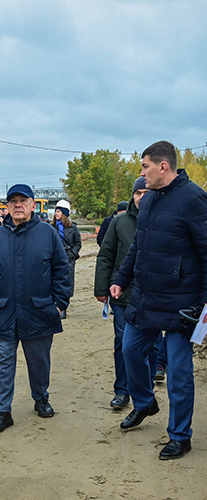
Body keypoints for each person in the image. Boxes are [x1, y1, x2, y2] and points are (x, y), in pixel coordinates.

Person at [110, 140, 207, 460]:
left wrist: (205, 304)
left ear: (163, 167)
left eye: (144, 166)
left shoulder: (195, 199)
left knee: (179, 372)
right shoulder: (148, 201)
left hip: (184, 303)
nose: (141, 173)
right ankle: (144, 402)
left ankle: (180, 435)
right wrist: (120, 280)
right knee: (130, 350)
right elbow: (138, 247)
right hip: (147, 297)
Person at [0, 184, 70, 433]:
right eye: (13, 201)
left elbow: (61, 271)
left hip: (39, 310)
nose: (18, 205)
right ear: (7, 206)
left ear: (33, 205)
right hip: (4, 311)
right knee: (4, 362)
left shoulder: (47, 233)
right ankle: (2, 411)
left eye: (23, 200)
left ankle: (41, 398)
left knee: (39, 360)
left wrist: (59, 304)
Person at [94, 177, 155, 410]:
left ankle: (146, 390)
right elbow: (106, 255)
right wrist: (102, 288)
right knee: (123, 343)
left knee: (152, 345)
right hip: (122, 296)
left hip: (153, 296)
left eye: (146, 192)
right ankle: (122, 390)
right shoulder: (119, 223)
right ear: (132, 196)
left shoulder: (161, 219)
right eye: (137, 193)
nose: (141, 197)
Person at [52, 200, 81, 319]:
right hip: (54, 258)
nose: (56, 214)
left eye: (58, 211)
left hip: (68, 258)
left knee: (67, 282)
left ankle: (64, 307)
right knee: (54, 281)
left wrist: (73, 254)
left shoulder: (73, 227)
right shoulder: (51, 227)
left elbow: (78, 243)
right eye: (55, 211)